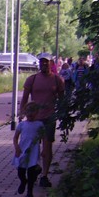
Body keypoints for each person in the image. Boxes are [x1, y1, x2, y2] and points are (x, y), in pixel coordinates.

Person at [20, 56, 65, 188]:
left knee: (47, 147)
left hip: (49, 118)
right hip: (34, 118)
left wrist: (62, 113)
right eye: (41, 62)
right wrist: (22, 113)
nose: (44, 64)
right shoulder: (32, 79)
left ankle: (44, 175)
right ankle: (34, 168)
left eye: (46, 62)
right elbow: (24, 98)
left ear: (51, 63)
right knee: (31, 146)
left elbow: (62, 99)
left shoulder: (57, 80)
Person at [13, 102, 44, 197]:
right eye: (28, 112)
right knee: (21, 171)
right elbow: (15, 137)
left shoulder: (39, 125)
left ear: (37, 113)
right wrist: (17, 147)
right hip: (22, 150)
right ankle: (23, 181)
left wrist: (44, 149)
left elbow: (44, 137)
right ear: (25, 113)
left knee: (31, 172)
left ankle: (29, 192)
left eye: (32, 112)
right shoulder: (22, 125)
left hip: (33, 151)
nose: (30, 114)